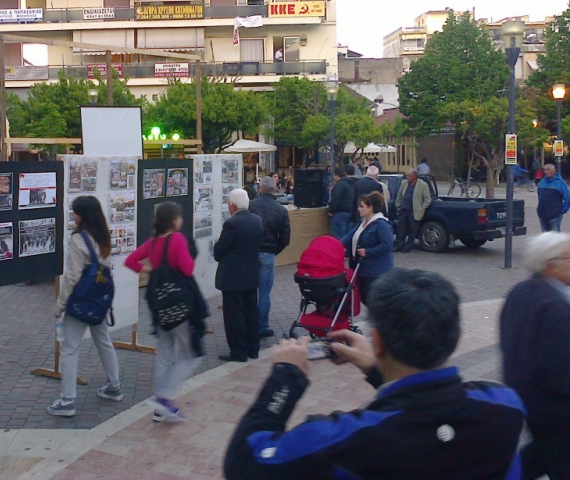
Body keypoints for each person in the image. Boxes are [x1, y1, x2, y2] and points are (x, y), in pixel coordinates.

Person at [224, 269, 525, 480]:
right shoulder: (503, 405)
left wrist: (286, 378)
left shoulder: (342, 440)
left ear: (376, 340)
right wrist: (376, 370)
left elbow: (244, 462)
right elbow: (423, 410)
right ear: (457, 336)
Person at [125, 202, 208, 423]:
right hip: (180, 305)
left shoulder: (152, 244)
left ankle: (159, 408)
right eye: (179, 217)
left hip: (159, 306)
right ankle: (164, 398)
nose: (181, 221)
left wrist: (150, 269)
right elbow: (188, 269)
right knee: (191, 355)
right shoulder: (177, 239)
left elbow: (130, 261)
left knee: (164, 354)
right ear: (173, 221)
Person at [501, 232, 570, 480]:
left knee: (541, 455)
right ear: (552, 266)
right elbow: (561, 372)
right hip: (556, 411)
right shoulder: (555, 308)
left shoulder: (520, 291)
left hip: (527, 400)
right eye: (569, 259)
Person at [49, 196, 122, 417]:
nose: (72, 215)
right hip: (100, 299)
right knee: (103, 341)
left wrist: (60, 305)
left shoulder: (79, 238)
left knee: (70, 349)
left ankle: (67, 400)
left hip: (81, 301)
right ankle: (114, 385)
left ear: (82, 215)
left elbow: (72, 276)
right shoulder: (103, 236)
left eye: (75, 212)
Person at [214, 189, 264, 362]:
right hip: (251, 274)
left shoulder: (232, 224)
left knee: (234, 316)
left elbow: (219, 250)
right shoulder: (257, 221)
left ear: (233, 206)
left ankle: (238, 351)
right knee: (251, 313)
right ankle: (253, 348)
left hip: (233, 277)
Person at [249, 176, 291, 338]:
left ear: (260, 188)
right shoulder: (280, 209)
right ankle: (262, 325)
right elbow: (285, 236)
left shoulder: (251, 206)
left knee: (251, 290)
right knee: (265, 292)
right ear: (274, 189)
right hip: (268, 252)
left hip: (252, 252)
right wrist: (275, 249)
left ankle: (252, 323)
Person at [341, 192, 393, 304]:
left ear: (370, 208)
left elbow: (387, 245)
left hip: (375, 271)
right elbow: (349, 237)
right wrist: (334, 246)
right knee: (364, 296)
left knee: (370, 298)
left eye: (362, 206)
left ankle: (380, 319)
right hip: (362, 269)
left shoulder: (381, 224)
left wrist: (368, 252)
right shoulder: (362, 223)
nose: (358, 209)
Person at [393, 168, 431, 252]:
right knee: (400, 229)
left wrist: (421, 208)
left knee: (412, 230)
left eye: (409, 175)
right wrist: (398, 205)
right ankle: (399, 245)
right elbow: (399, 195)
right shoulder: (404, 183)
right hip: (403, 210)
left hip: (414, 211)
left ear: (414, 177)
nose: (407, 177)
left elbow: (427, 199)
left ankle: (408, 247)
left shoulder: (423, 185)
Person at [537, 163, 570, 232]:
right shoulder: (542, 182)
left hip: (555, 215)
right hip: (542, 214)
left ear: (554, 170)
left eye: (548, 170)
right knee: (544, 236)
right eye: (545, 170)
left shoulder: (560, 183)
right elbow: (539, 196)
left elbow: (568, 198)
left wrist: (562, 211)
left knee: (555, 237)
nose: (546, 171)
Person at [327, 166, 356, 239]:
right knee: (348, 236)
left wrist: (331, 210)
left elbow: (335, 198)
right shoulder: (352, 184)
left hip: (340, 213)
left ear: (337, 176)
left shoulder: (340, 185)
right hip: (351, 212)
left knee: (338, 236)